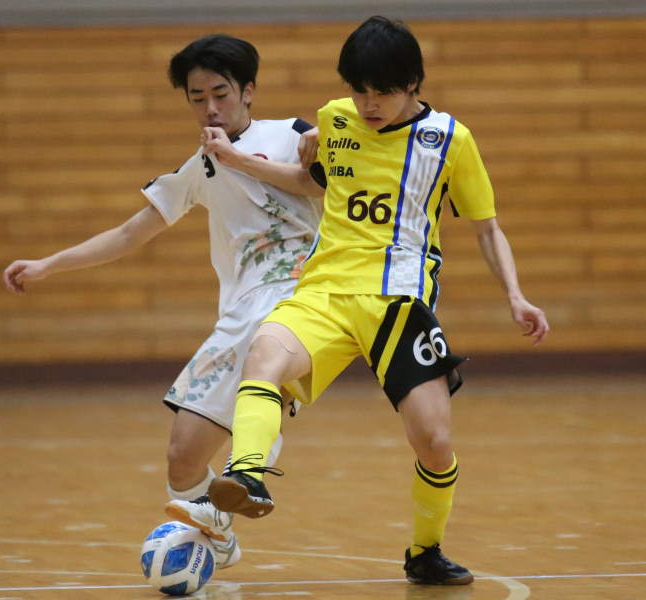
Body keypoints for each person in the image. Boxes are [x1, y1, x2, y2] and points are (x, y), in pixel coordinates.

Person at [198, 16, 549, 586]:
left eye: (381, 91)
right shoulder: (335, 119)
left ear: (413, 83)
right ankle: (247, 473)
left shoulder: (451, 141)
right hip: (326, 293)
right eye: (359, 89)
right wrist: (236, 160)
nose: (367, 103)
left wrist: (516, 295)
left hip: (399, 303)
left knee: (434, 442)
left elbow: (487, 228)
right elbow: (316, 181)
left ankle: (425, 552)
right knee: (263, 355)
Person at [1, 34, 322, 570]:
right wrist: (49, 264)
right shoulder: (200, 167)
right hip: (239, 311)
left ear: (248, 91)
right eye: (197, 98)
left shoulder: (293, 134)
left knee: (260, 392)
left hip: (299, 298)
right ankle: (219, 536)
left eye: (221, 93)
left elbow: (326, 180)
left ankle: (253, 470)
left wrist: (320, 136)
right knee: (182, 459)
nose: (211, 107)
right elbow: (130, 233)